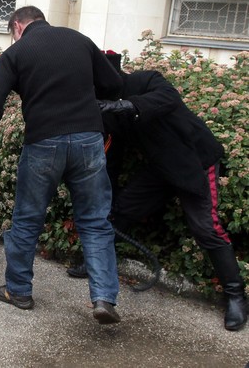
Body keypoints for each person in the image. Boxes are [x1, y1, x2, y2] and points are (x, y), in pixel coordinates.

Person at [0, 6, 123, 324]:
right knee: (95, 221)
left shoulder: (17, 52)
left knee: (27, 221)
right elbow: (113, 82)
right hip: (88, 140)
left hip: (44, 142)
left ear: (17, 26)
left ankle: (19, 291)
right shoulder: (79, 40)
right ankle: (104, 298)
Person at [67, 68, 247, 331]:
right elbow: (113, 157)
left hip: (194, 159)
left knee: (205, 227)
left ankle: (236, 295)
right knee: (122, 210)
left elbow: (168, 97)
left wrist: (128, 106)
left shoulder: (146, 79)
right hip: (161, 167)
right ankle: (97, 263)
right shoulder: (103, 108)